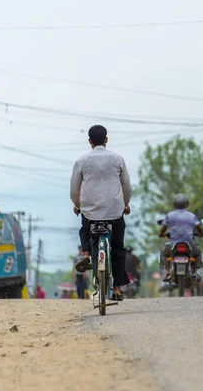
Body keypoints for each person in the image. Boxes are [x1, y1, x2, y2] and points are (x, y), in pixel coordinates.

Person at [70, 125, 132, 302]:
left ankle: (86, 254)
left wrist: (77, 204)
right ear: (106, 139)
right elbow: (126, 187)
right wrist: (125, 204)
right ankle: (118, 288)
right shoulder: (118, 159)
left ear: (89, 141)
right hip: (115, 211)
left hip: (90, 212)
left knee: (85, 230)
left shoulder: (81, 161)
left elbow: (75, 189)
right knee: (118, 247)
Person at [158, 194, 203, 281]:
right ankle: (195, 272)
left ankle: (168, 271)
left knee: (164, 254)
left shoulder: (170, 215)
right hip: (189, 244)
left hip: (173, 244)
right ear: (186, 204)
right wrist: (202, 233)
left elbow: (163, 229)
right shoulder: (191, 216)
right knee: (198, 254)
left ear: (174, 204)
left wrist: (161, 234)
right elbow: (199, 228)